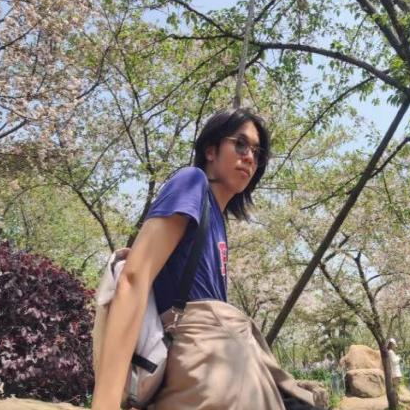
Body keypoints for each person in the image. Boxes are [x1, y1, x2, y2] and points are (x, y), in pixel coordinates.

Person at [91, 108, 316, 410]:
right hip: (202, 368)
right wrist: (105, 403)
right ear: (211, 150)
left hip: (230, 370)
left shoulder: (218, 222)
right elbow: (133, 279)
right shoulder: (191, 183)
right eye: (240, 144)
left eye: (257, 152)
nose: (249, 157)